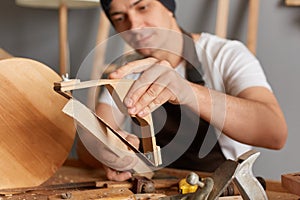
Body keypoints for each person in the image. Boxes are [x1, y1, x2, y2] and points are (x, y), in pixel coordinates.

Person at [77, 0, 287, 181]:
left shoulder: (226, 55)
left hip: (225, 189)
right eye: (120, 17)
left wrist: (187, 92)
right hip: (161, 187)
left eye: (142, 7)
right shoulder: (128, 72)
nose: (134, 26)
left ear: (169, 7)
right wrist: (110, 150)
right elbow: (87, 147)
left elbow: (275, 133)